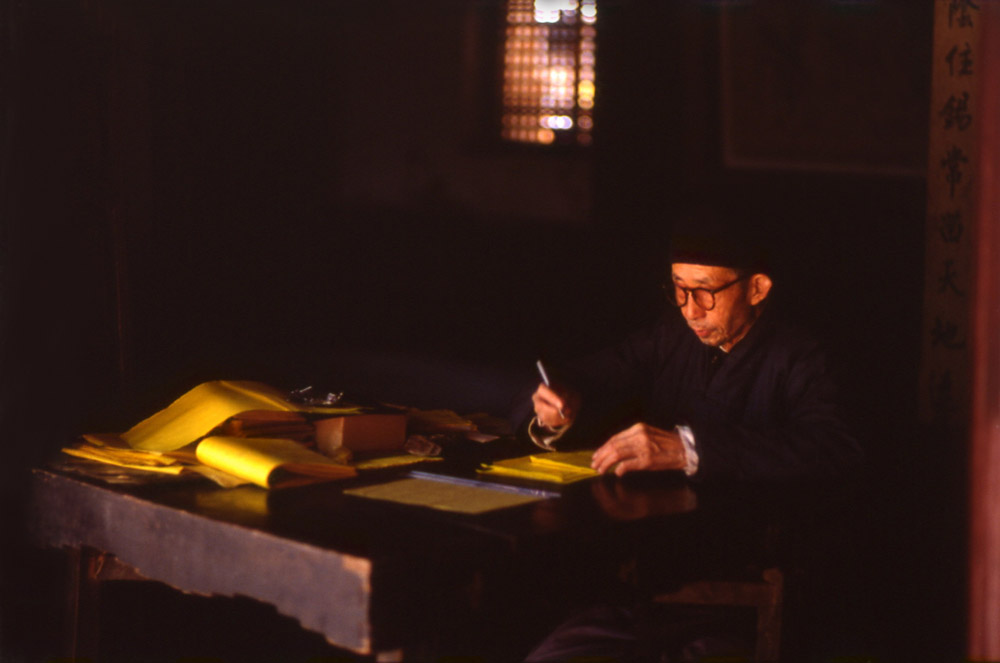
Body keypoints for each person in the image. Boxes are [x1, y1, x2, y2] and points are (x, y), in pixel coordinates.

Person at [519, 207, 863, 661]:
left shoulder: (803, 353)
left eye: (705, 292)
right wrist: (558, 410)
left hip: (747, 587)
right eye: (679, 290)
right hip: (652, 579)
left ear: (757, 288)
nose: (689, 310)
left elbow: (835, 449)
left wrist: (689, 449)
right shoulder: (672, 335)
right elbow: (589, 379)